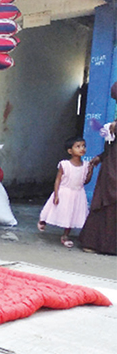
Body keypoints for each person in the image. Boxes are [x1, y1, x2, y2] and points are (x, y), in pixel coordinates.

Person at [79, 83, 117, 255]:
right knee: (105, 204)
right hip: (111, 164)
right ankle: (98, 243)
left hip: (113, 168)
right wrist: (101, 157)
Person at [37, 137, 94, 248]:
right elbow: (58, 179)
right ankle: (43, 220)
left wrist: (90, 171)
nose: (82, 148)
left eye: (83, 146)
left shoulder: (86, 165)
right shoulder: (64, 164)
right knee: (53, 209)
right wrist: (56, 194)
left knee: (71, 215)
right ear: (70, 151)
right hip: (64, 192)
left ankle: (65, 236)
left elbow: (85, 181)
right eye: (78, 146)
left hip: (78, 194)